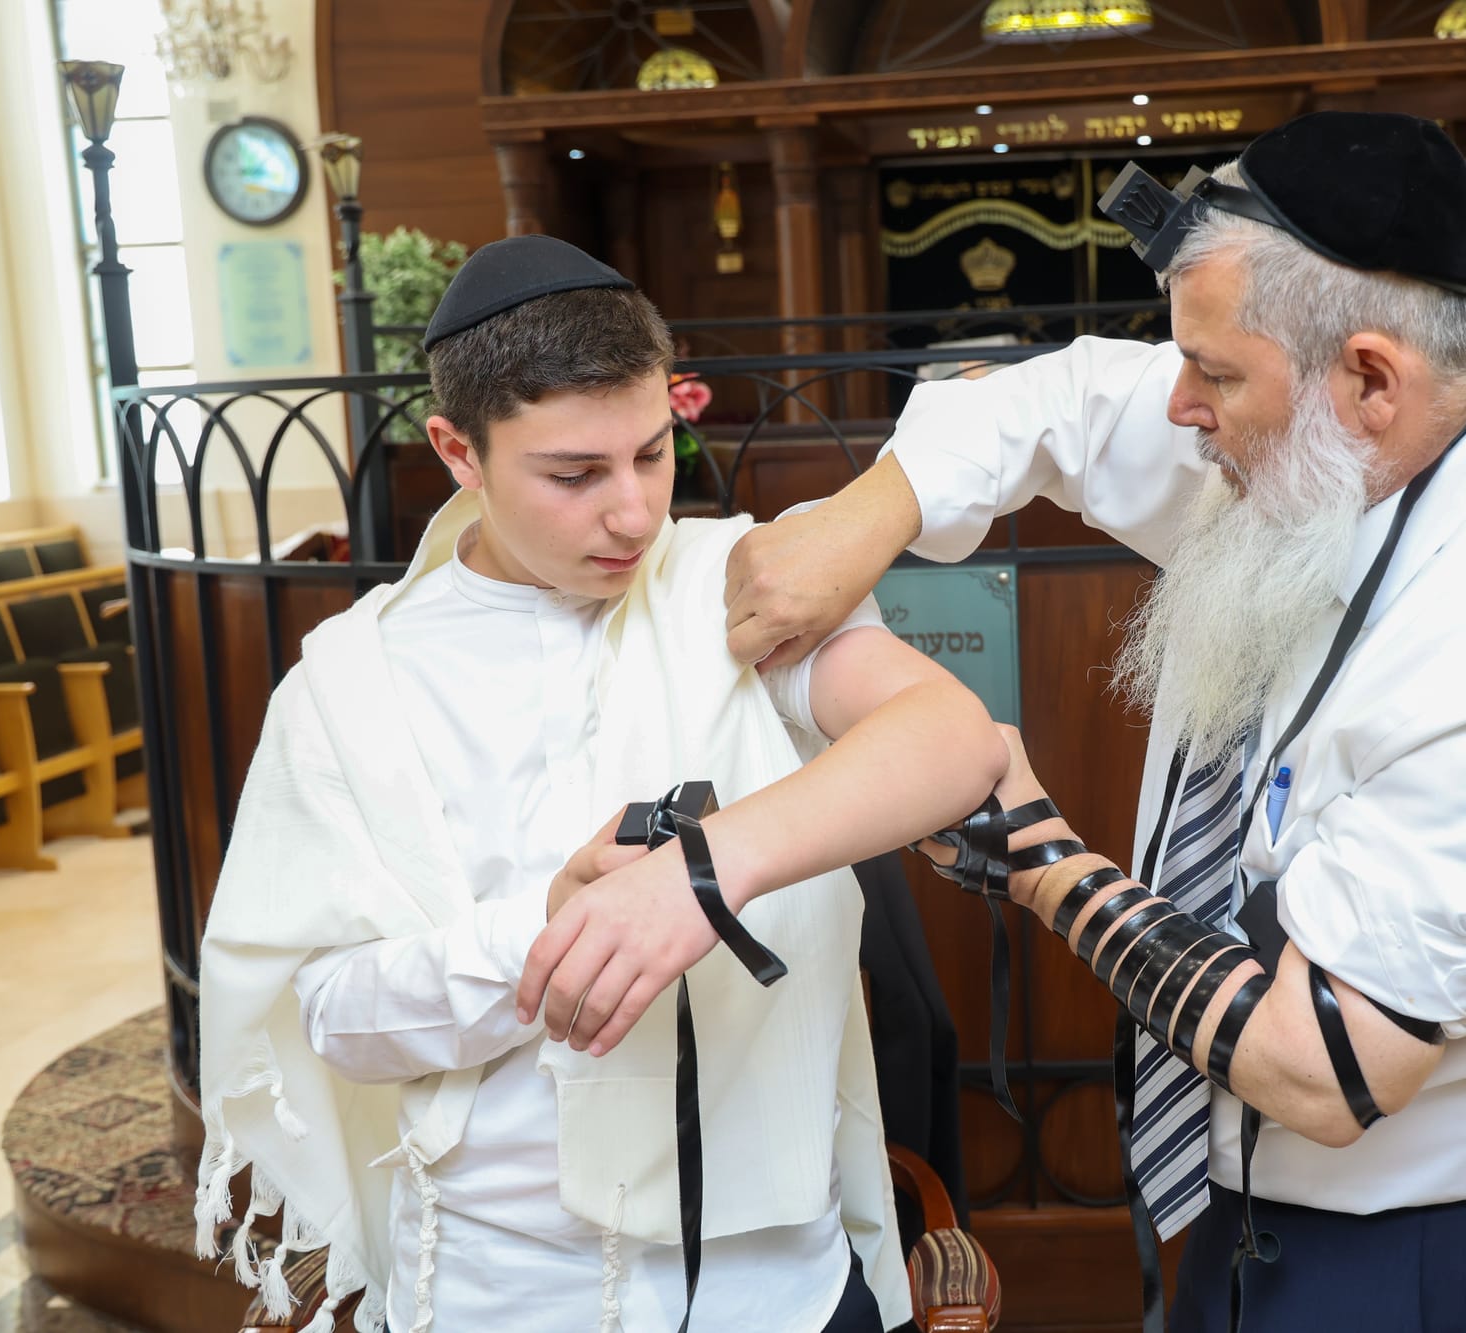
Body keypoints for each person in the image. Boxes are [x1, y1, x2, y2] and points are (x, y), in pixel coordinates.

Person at [717, 113, 1466, 1330]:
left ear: (1369, 379)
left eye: (1215, 375)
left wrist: (1041, 861)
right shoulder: (1337, 439)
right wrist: (870, 512)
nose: (1177, 405)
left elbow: (1323, 1065)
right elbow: (1052, 400)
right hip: (1248, 1195)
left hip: (1435, 1245)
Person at [192, 236, 1007, 1333]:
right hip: (498, 1291)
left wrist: (695, 879)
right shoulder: (350, 683)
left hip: (773, 1287)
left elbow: (953, 737)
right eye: (574, 475)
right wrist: (543, 934)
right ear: (458, 450)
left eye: (653, 452)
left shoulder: (738, 586)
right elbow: (333, 1018)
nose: (633, 513)